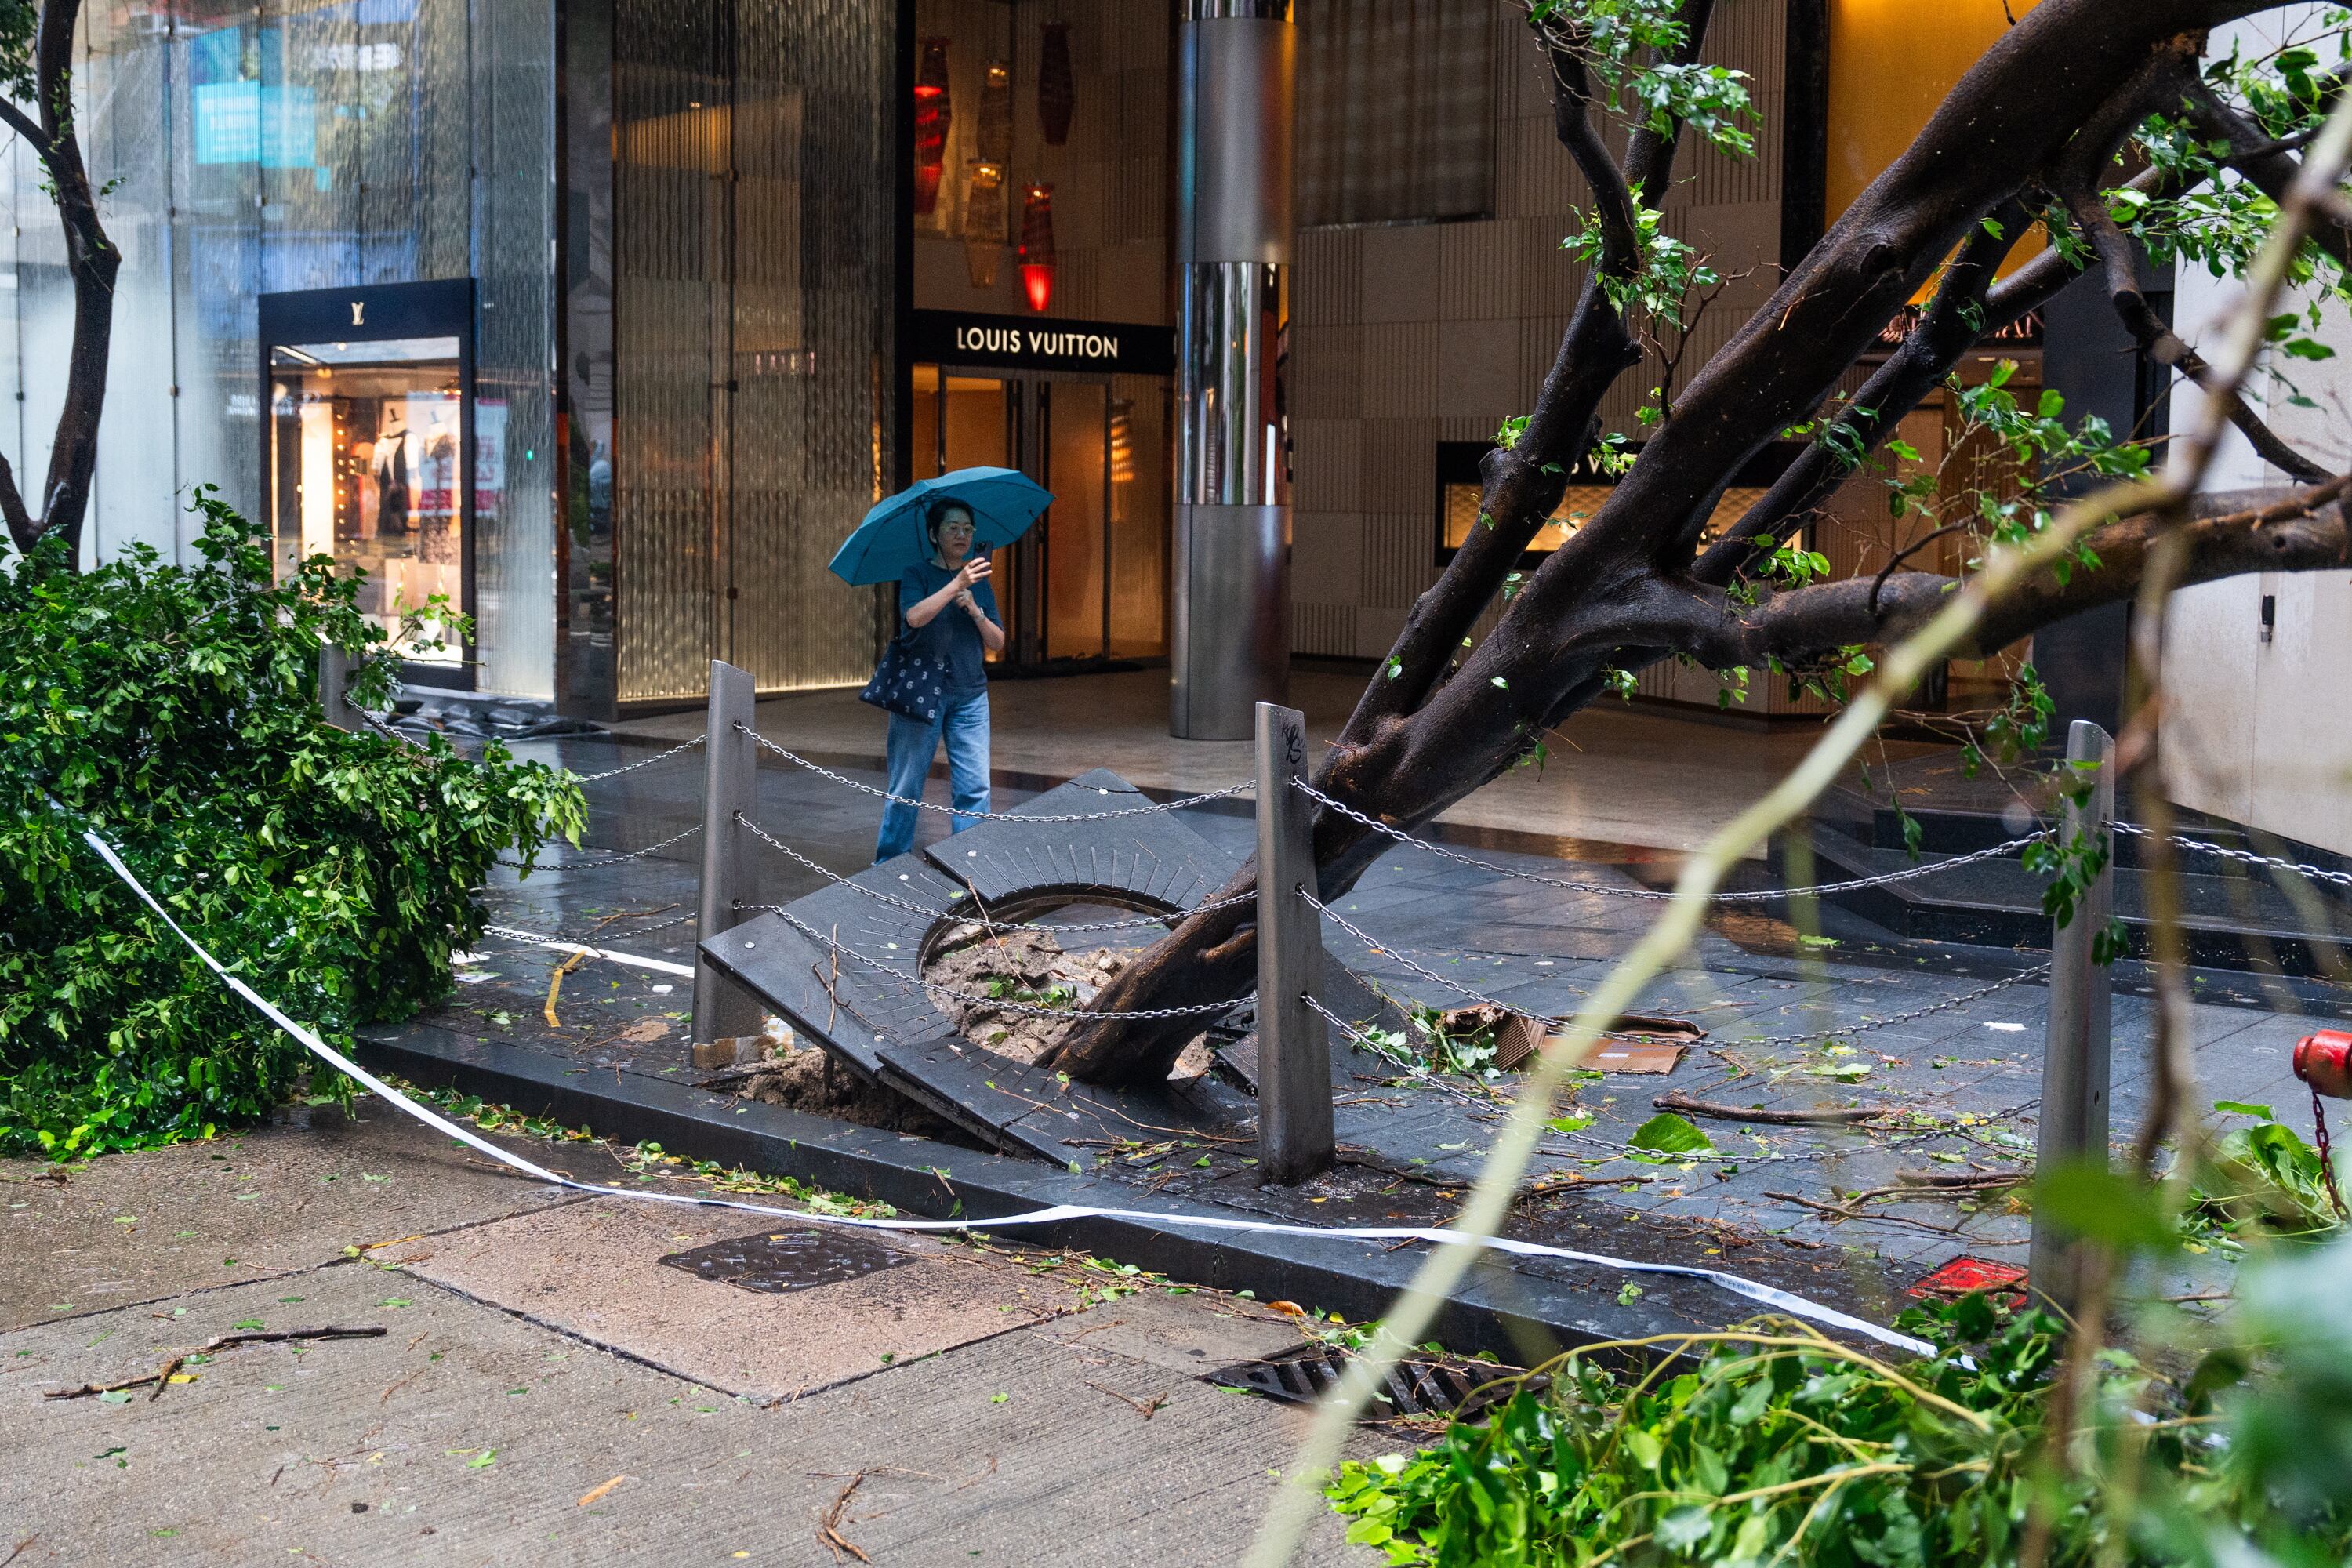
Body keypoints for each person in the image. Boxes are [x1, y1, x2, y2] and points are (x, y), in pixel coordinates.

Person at [873, 500, 1006, 862]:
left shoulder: (980, 583)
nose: (962, 535)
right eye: (953, 528)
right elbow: (915, 618)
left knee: (975, 788)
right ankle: (888, 861)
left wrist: (975, 610)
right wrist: (955, 585)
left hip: (970, 694)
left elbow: (997, 642)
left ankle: (970, 866)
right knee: (907, 785)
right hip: (920, 694)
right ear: (934, 534)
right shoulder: (915, 574)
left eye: (968, 529)